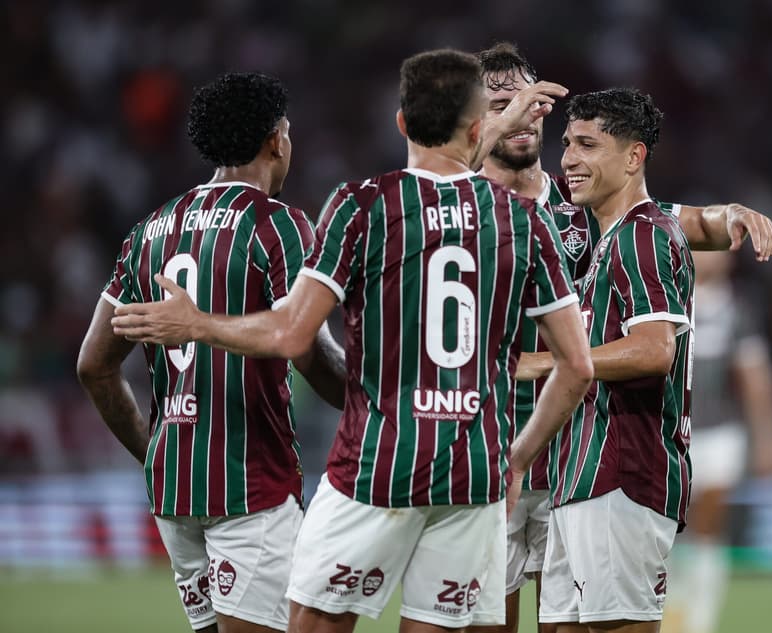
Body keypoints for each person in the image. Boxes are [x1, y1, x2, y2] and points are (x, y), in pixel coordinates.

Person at [111, 48, 595, 633]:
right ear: (476, 129)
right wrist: (516, 460)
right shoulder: (524, 220)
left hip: (377, 462)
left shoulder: (364, 204)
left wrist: (198, 324)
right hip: (475, 469)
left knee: (314, 623)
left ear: (399, 122)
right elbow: (577, 366)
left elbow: (292, 334)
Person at [474, 42, 772, 633]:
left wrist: (726, 215)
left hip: (578, 459)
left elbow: (664, 220)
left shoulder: (576, 213)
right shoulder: (450, 209)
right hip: (490, 452)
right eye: (500, 105)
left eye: (528, 103)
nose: (520, 115)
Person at [77, 72, 346, 633]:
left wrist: (154, 452)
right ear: (276, 140)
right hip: (251, 486)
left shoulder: (150, 231)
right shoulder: (278, 226)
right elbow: (310, 354)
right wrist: (380, 398)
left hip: (176, 493)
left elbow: (94, 366)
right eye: (288, 132)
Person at [515, 87, 698, 633]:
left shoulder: (642, 236)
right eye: (568, 143)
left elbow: (654, 349)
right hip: (583, 477)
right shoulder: (606, 242)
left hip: (622, 475)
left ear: (634, 157)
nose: (569, 158)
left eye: (589, 145)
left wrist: (544, 362)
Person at [663, 251, 772, 633]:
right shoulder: (669, 299)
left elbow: (755, 376)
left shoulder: (738, 308)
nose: (707, 254)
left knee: (708, 529)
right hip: (667, 434)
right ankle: (665, 613)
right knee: (662, 530)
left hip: (719, 433)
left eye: (714, 246)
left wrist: (768, 439)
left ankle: (700, 621)